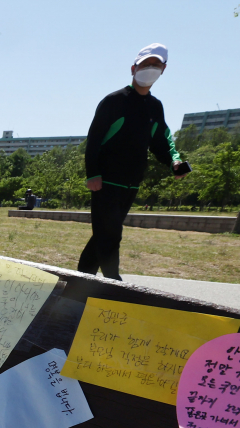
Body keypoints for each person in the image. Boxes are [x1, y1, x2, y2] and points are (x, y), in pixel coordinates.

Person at [78, 43, 186, 280]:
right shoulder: (114, 101)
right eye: (145, 64)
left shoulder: (155, 107)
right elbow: (94, 139)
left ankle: (80, 279)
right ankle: (112, 281)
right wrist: (92, 173)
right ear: (133, 68)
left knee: (103, 234)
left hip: (132, 182)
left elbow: (161, 141)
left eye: (155, 66)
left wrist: (174, 163)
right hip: (106, 180)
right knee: (111, 233)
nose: (150, 69)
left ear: (163, 70)